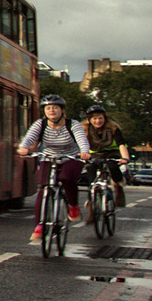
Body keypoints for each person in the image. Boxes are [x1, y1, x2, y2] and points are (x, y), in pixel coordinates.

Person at [16, 94, 93, 242]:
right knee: (43, 187)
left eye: (55, 108)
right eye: (48, 108)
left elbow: (81, 140)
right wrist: (23, 147)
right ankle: (39, 226)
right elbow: (29, 138)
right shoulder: (41, 124)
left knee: (66, 178)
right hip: (48, 157)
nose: (51, 110)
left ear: (62, 110)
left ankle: (73, 206)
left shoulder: (73, 124)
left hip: (71, 158)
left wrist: (84, 152)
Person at [83, 104, 130, 210]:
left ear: (105, 118)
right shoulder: (84, 129)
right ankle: (91, 200)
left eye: (100, 118)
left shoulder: (113, 128)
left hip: (111, 152)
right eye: (94, 118)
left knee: (113, 166)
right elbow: (79, 143)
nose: (98, 121)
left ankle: (118, 184)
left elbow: (120, 143)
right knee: (91, 176)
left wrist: (125, 158)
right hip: (94, 154)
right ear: (89, 120)